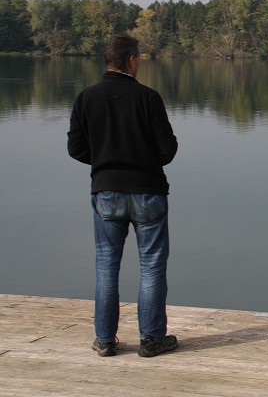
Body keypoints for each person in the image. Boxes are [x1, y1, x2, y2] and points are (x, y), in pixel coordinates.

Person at [68, 34, 179, 358]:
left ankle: (104, 339)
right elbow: (167, 150)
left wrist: (105, 159)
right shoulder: (148, 98)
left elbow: (75, 148)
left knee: (106, 265)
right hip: (148, 192)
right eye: (139, 57)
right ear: (131, 60)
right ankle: (151, 339)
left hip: (106, 192)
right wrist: (140, 158)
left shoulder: (86, 98)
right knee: (152, 266)